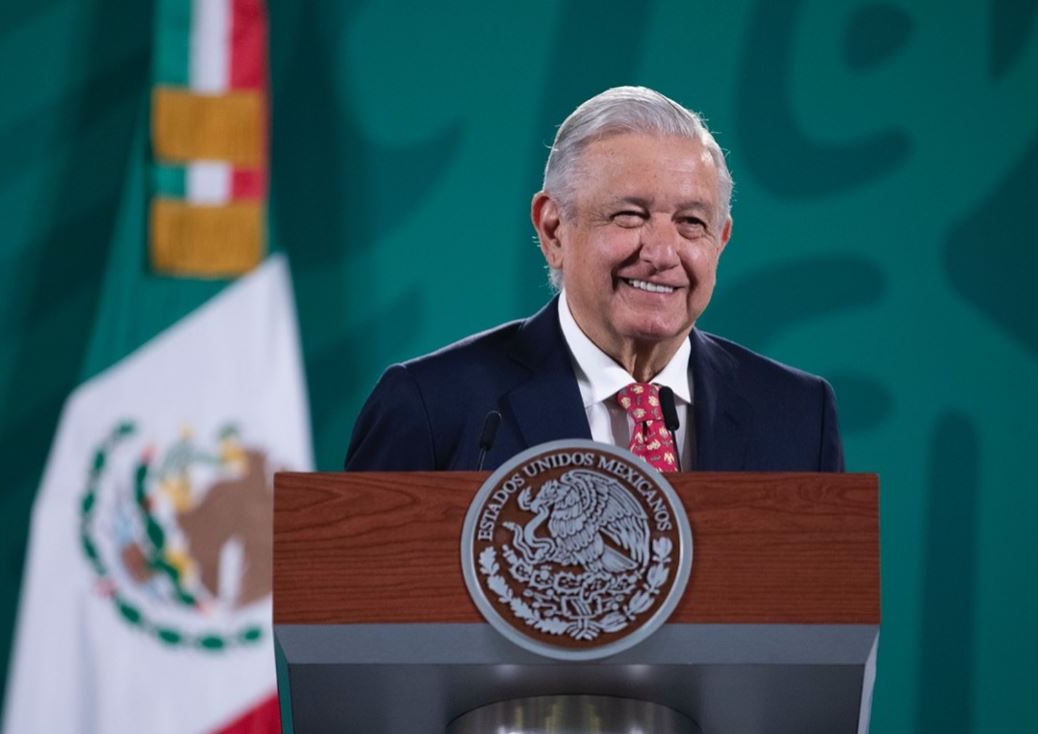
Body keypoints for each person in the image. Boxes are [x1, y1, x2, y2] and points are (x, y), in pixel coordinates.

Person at [345, 86, 843, 473]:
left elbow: (822, 601)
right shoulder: (433, 407)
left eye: (692, 223)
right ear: (553, 229)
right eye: (629, 215)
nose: (662, 253)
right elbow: (359, 600)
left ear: (721, 240)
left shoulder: (799, 414)